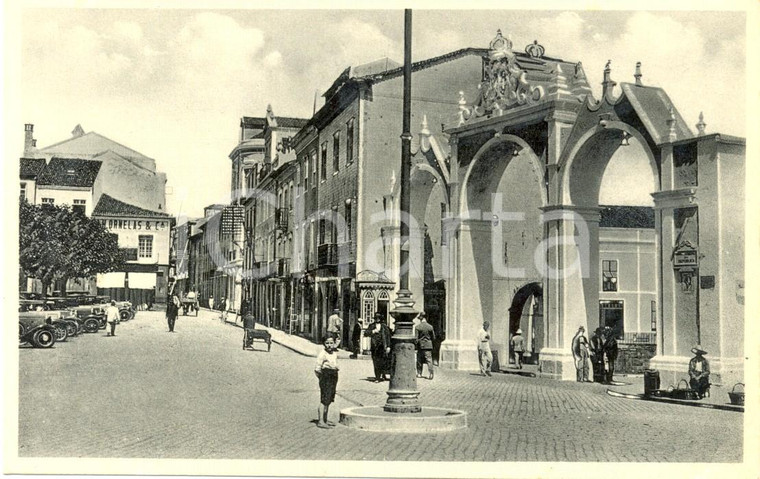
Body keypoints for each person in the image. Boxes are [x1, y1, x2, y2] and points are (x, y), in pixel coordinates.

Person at [314, 336, 339, 429]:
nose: (329, 345)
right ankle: (320, 421)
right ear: (324, 344)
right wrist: (322, 378)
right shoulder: (322, 354)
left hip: (334, 375)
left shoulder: (334, 353)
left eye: (331, 343)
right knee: (324, 399)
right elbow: (317, 369)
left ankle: (325, 419)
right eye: (327, 343)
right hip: (326, 376)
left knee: (329, 399)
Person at [366, 313, 391, 382]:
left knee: (382, 361)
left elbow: (388, 336)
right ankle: (377, 377)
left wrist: (388, 346)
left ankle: (382, 374)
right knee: (375, 362)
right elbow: (366, 333)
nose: (377, 319)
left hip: (382, 347)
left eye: (378, 318)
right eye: (376, 318)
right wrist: (373, 331)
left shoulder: (384, 326)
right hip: (374, 347)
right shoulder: (372, 326)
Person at [415, 312, 435, 379]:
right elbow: (433, 337)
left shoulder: (418, 327)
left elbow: (416, 338)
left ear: (421, 318)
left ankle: (419, 373)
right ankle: (431, 374)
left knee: (419, 360)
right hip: (429, 345)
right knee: (429, 360)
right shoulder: (430, 327)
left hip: (421, 345)